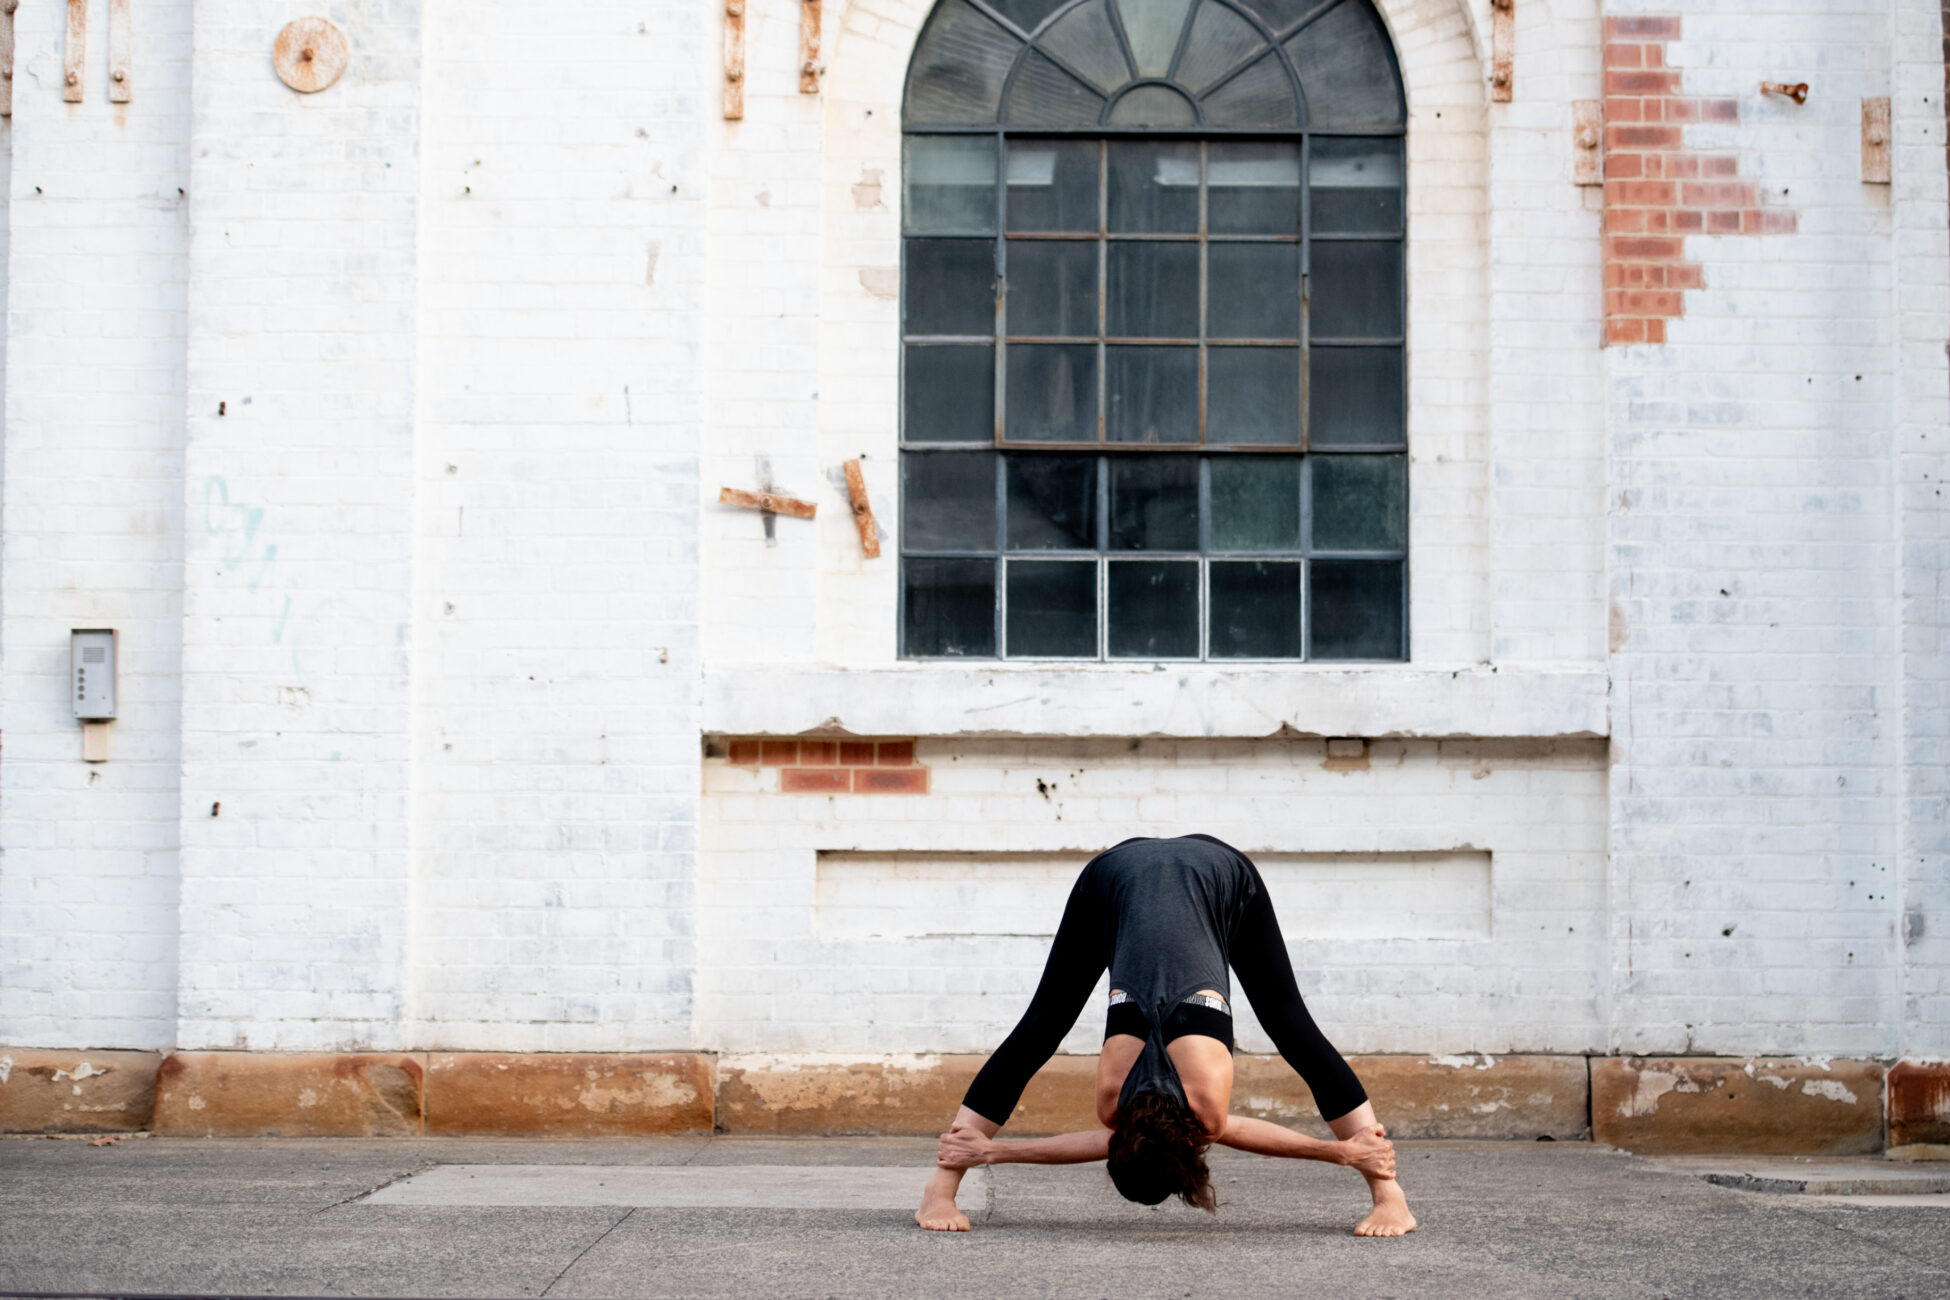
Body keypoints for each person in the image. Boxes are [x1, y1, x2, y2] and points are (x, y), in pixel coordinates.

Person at [914, 833, 1416, 1237]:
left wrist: (1342, 1152)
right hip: (1126, 871)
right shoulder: (1113, 1102)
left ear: (1195, 1151)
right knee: (1042, 1026)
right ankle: (943, 1184)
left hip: (1193, 872)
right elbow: (1109, 1137)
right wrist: (988, 1151)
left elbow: (1227, 1130)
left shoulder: (1204, 1108)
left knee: (1291, 1024)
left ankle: (1388, 1193)